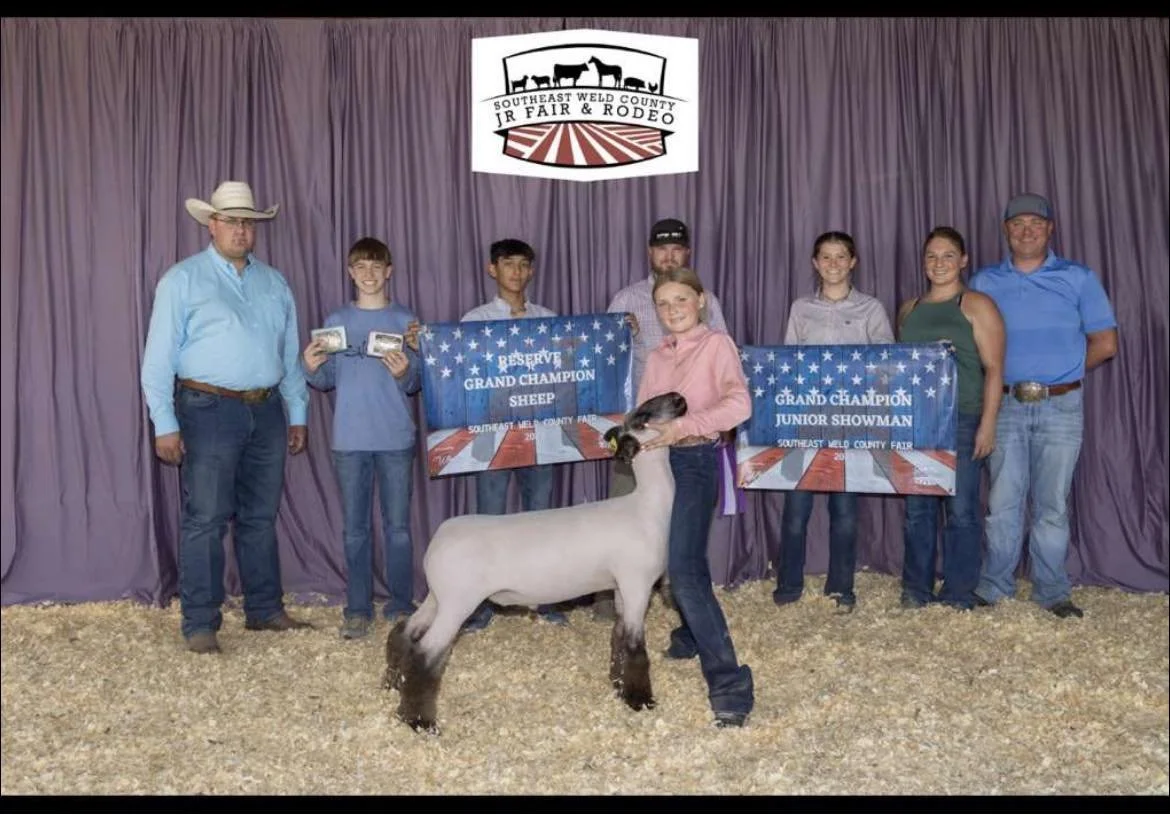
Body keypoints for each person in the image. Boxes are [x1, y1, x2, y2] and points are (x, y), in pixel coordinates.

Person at [140, 180, 310, 654]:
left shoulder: (274, 282)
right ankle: (199, 622)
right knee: (207, 518)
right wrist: (164, 421)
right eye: (231, 220)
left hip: (268, 407)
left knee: (259, 516)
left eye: (247, 222)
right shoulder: (183, 279)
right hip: (206, 408)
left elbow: (289, 352)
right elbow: (158, 357)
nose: (240, 229)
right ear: (211, 224)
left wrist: (297, 411)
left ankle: (264, 609)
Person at [969, 194, 1118, 618]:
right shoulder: (984, 282)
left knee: (1052, 504)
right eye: (1018, 223)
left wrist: (1063, 373)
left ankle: (1052, 591)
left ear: (1050, 229)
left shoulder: (1078, 278)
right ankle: (994, 586)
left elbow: (1106, 344)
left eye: (1036, 222)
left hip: (1061, 406)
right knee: (1003, 501)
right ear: (1006, 231)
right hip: (1006, 405)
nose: (1027, 230)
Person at [596, 217, 730, 620]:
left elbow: (724, 361)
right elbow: (604, 359)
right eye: (661, 248)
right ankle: (611, 601)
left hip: (689, 433)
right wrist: (618, 334)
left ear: (687, 253)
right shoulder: (625, 299)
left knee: (681, 518)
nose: (668, 255)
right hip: (641, 429)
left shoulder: (707, 301)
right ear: (650, 252)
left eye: (676, 248)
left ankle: (681, 599)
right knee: (621, 511)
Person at [638, 266, 754, 728]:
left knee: (684, 569)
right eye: (663, 304)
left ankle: (730, 686)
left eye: (681, 300)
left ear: (701, 300)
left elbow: (740, 404)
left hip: (697, 460)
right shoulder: (655, 357)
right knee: (675, 560)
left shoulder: (717, 346)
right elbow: (646, 413)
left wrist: (683, 427)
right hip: (659, 467)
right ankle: (689, 636)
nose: (672, 311)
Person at [301, 237, 422, 640]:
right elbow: (325, 380)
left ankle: (401, 604)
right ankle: (357, 608)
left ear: (389, 271)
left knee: (398, 528)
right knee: (354, 529)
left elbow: (416, 383)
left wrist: (405, 371)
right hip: (349, 439)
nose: (368, 274)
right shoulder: (336, 320)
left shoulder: (407, 321)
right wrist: (311, 367)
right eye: (360, 267)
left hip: (395, 438)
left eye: (376, 267)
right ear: (350, 273)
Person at [773, 231, 894, 613]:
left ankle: (841, 588)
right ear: (815, 263)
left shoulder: (871, 309)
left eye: (841, 256)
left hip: (851, 423)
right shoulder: (800, 308)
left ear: (853, 261)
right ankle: (789, 585)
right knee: (796, 510)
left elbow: (888, 363)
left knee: (844, 511)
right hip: (807, 420)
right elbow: (788, 363)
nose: (834, 264)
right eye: (826, 257)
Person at [458, 238, 569, 630]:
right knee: (490, 521)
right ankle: (483, 602)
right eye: (508, 264)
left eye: (524, 265)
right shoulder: (473, 321)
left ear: (532, 270)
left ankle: (544, 598)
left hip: (540, 434)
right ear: (493, 269)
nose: (516, 272)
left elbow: (566, 371)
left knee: (540, 518)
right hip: (494, 436)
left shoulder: (550, 318)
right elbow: (463, 375)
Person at [896, 226, 1005, 610]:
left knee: (960, 510)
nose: (938, 263)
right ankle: (916, 589)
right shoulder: (909, 309)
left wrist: (988, 423)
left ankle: (959, 591)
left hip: (961, 417)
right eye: (931, 256)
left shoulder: (977, 305)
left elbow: (994, 368)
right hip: (916, 423)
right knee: (917, 510)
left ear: (963, 261)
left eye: (947, 256)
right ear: (923, 262)